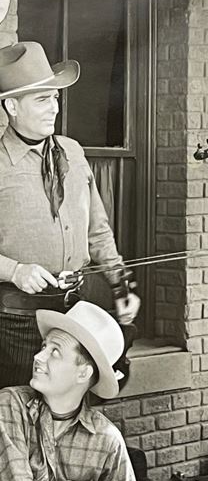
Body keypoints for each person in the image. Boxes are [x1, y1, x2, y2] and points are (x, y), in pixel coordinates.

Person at [0, 42, 140, 389]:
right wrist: (14, 270)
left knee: (69, 412)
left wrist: (120, 284)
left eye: (55, 97)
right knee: (18, 413)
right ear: (12, 106)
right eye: (42, 99)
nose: (54, 108)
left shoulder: (73, 152)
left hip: (76, 316)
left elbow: (98, 230)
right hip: (15, 323)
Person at [0, 300, 152, 481]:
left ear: (83, 373)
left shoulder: (106, 438)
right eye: (43, 346)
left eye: (54, 352)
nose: (38, 357)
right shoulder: (9, 405)